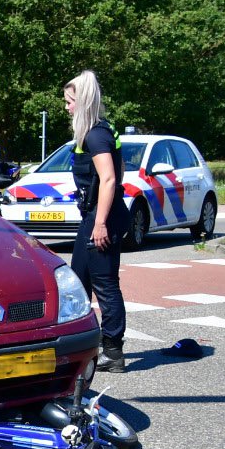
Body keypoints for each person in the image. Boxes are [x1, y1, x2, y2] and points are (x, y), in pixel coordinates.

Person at [64, 70, 131, 373]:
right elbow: (120, 169)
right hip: (95, 215)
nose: (66, 108)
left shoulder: (95, 134)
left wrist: (100, 223)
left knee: (104, 284)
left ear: (83, 102)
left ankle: (113, 352)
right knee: (78, 280)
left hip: (101, 218)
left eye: (69, 102)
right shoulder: (99, 131)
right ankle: (80, 343)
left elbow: (109, 178)